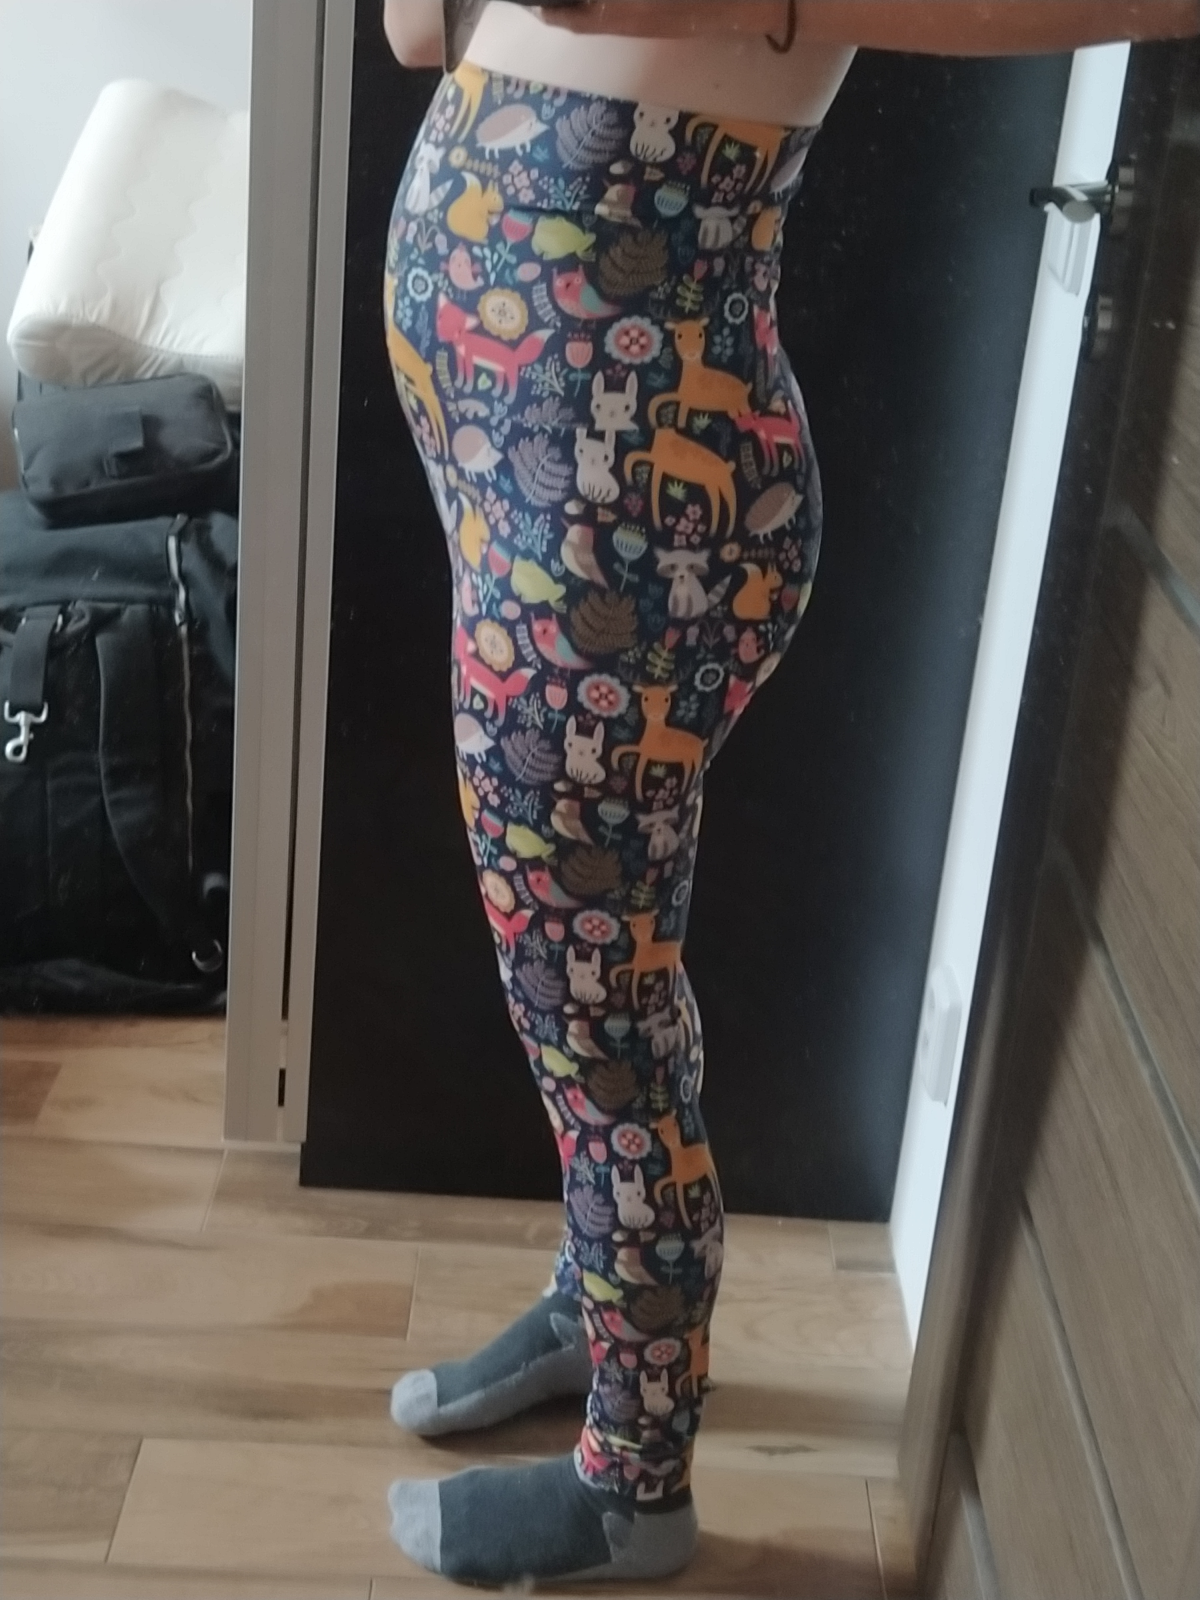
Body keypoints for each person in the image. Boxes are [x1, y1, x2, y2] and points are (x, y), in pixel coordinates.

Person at [380, 2, 1197, 1586]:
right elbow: (424, 33)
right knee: (597, 988)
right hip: (526, 475)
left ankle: (634, 1485)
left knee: (598, 1025)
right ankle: (603, 1312)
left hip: (625, 520)